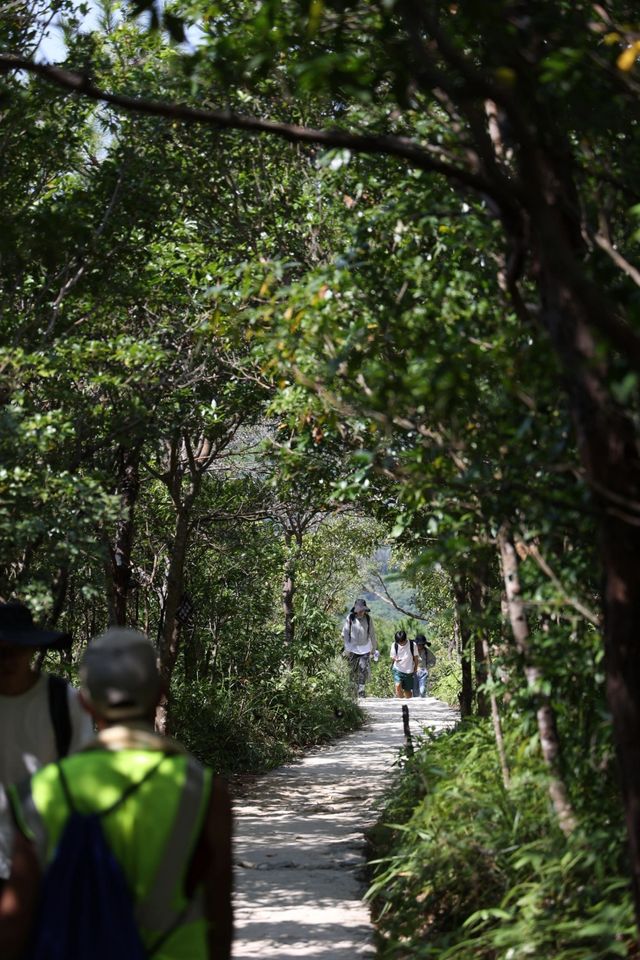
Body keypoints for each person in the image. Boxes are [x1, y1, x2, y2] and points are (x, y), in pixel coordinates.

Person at [0, 627, 232, 960]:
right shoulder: (206, 790)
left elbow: (15, 921)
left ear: (85, 702)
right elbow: (219, 916)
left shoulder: (42, 792)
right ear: (159, 694)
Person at [0, 602, 94, 891]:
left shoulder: (63, 702)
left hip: (48, 862)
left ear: (32, 649)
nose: (8, 659)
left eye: (16, 648)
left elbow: (86, 782)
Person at [342, 598, 378, 698]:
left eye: (364, 610)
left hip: (365, 648)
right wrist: (347, 648)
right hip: (352, 648)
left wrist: (373, 648)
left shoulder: (368, 619)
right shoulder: (350, 618)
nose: (362, 612)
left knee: (362, 668)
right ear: (356, 610)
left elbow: (372, 634)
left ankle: (361, 691)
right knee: (351, 669)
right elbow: (345, 633)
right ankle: (351, 689)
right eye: (360, 610)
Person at [390, 629, 418, 699]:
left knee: (407, 691)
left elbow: (416, 658)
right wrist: (395, 659)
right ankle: (402, 702)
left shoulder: (412, 645)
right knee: (397, 685)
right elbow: (392, 656)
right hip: (397, 669)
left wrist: (415, 668)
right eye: (399, 642)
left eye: (402, 642)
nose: (401, 643)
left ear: (406, 639)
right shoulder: (394, 645)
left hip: (409, 671)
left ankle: (408, 703)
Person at [412, 633, 434, 698]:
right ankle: (416, 705)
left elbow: (433, 660)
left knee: (422, 689)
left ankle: (422, 699)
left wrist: (427, 667)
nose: (420, 646)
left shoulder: (427, 652)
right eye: (419, 644)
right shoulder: (412, 651)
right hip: (414, 672)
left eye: (422, 644)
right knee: (415, 690)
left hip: (423, 671)